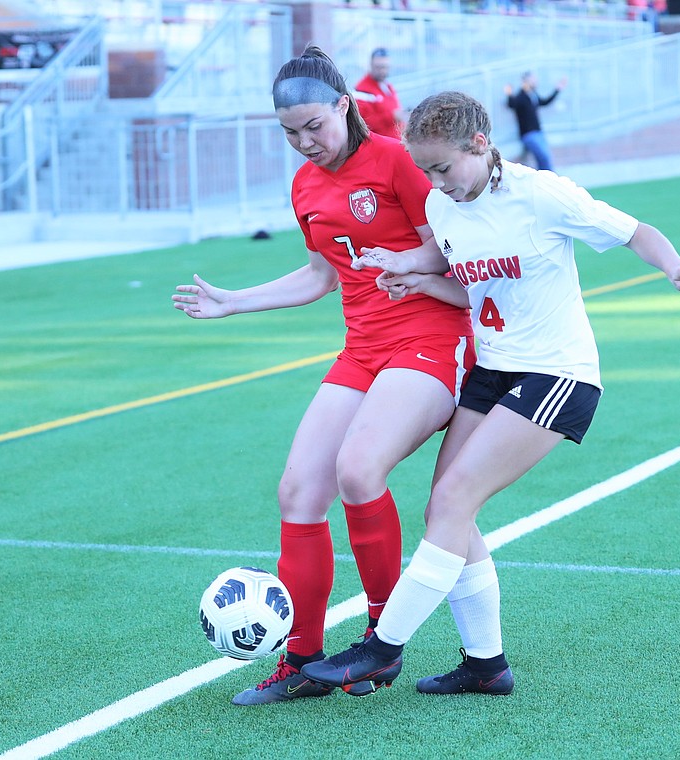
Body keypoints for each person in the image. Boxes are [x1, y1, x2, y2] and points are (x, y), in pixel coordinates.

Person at [301, 90, 680, 696]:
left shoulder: (541, 193)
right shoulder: (446, 208)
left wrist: (674, 264)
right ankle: (485, 666)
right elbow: (456, 274)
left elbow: (634, 231)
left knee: (452, 503)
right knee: (447, 505)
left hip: (556, 375)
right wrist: (408, 271)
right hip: (493, 370)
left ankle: (381, 647)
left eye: (442, 168)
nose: (435, 184)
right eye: (424, 172)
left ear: (480, 143)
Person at [172, 48, 474, 705]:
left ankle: (379, 639)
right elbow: (319, 276)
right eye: (289, 133)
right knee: (297, 493)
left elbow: (458, 257)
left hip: (432, 340)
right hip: (363, 349)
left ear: (344, 104)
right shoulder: (305, 186)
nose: (304, 143)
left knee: (358, 470)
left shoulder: (397, 160)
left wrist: (409, 264)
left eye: (314, 125)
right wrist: (235, 300)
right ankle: (304, 662)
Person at [504, 71, 565, 172]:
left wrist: (557, 89)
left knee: (545, 159)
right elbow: (512, 104)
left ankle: (548, 181)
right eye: (533, 79)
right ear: (526, 81)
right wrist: (509, 93)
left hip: (538, 133)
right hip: (529, 135)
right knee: (544, 158)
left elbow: (544, 102)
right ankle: (548, 181)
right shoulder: (521, 97)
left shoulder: (533, 95)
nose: (535, 81)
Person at [353, 47, 407, 138]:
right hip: (381, 145)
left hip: (397, 141)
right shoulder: (362, 90)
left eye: (385, 67)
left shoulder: (387, 86)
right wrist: (392, 116)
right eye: (378, 67)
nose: (382, 71)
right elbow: (363, 123)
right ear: (371, 65)